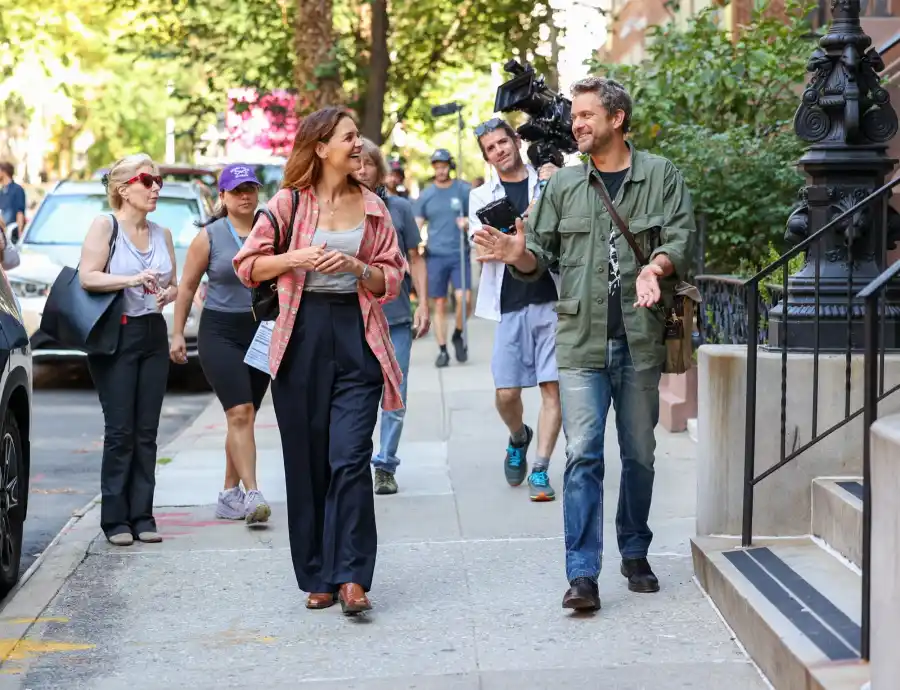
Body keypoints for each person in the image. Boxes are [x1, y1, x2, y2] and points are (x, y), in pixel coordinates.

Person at [473, 77, 696, 611]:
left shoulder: (660, 175)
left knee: (640, 455)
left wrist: (655, 269)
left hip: (639, 340)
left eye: (588, 115)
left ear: (617, 119)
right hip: (578, 342)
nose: (576, 124)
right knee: (583, 455)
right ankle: (582, 575)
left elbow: (680, 239)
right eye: (574, 116)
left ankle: (635, 551)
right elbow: (539, 259)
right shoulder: (564, 186)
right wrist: (513, 252)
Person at [233, 107, 406, 615]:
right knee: (306, 462)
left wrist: (358, 267)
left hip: (357, 334)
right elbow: (247, 266)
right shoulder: (287, 204)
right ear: (321, 147)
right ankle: (316, 575)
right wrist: (296, 259)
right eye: (349, 138)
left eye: (358, 137)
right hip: (299, 336)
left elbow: (390, 279)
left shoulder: (373, 207)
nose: (359, 146)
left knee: (350, 458)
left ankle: (352, 575)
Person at [80, 154, 179, 546]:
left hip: (152, 331)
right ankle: (115, 519)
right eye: (147, 180)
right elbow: (88, 277)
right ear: (124, 189)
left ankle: (143, 514)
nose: (156, 188)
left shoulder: (162, 233)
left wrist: (166, 293)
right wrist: (132, 279)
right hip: (116, 336)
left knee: (147, 430)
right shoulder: (106, 226)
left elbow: (172, 285)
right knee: (121, 430)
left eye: (159, 181)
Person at [170, 163, 272, 525]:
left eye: (250, 189)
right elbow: (186, 287)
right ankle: (253, 493)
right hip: (220, 331)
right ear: (223, 197)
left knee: (244, 416)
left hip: (262, 332)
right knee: (239, 412)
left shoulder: (271, 229)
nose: (245, 196)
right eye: (237, 190)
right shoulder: (210, 236)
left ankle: (229, 494)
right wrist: (178, 332)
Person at [469, 118, 563, 502]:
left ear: (515, 141)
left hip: (554, 298)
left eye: (503, 142)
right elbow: (482, 248)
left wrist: (556, 182)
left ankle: (540, 469)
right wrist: (516, 235)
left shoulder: (550, 179)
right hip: (509, 302)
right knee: (507, 392)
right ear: (487, 156)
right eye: (491, 148)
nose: (499, 151)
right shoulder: (480, 196)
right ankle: (518, 436)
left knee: (552, 388)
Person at [354, 138, 430, 496]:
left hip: (396, 317)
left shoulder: (398, 208)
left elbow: (415, 258)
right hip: (354, 315)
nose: (362, 169)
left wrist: (424, 304)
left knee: (396, 392)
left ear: (378, 168)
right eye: (356, 162)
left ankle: (385, 464)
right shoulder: (341, 207)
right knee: (357, 392)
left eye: (368, 163)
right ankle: (355, 459)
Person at [415, 149, 472, 367]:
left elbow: (477, 214)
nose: (440, 169)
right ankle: (442, 350)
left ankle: (458, 333)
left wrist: (467, 221)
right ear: (433, 168)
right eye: (436, 166)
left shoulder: (463, 189)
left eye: (444, 165)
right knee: (438, 304)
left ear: (450, 166)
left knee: (464, 300)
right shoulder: (426, 195)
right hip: (435, 256)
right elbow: (417, 226)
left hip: (460, 254)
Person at [0, 162, 26, 235]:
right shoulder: (2, 192)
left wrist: (20, 233)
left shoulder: (17, 189)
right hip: (3, 236)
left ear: (3, 172)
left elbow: (20, 213)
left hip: (13, 235)